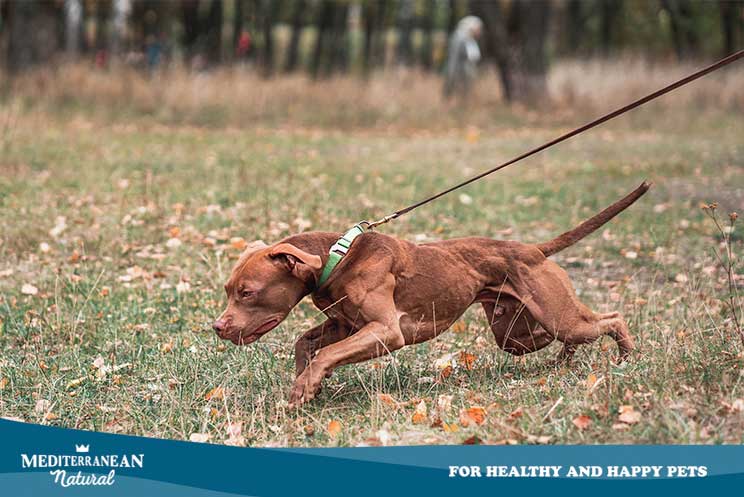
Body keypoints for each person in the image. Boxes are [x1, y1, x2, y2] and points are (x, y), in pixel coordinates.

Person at [443, 16, 483, 99]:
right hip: (458, 71)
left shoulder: (469, 38)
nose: (479, 32)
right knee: (456, 90)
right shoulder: (460, 38)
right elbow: (454, 58)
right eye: (478, 29)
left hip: (465, 72)